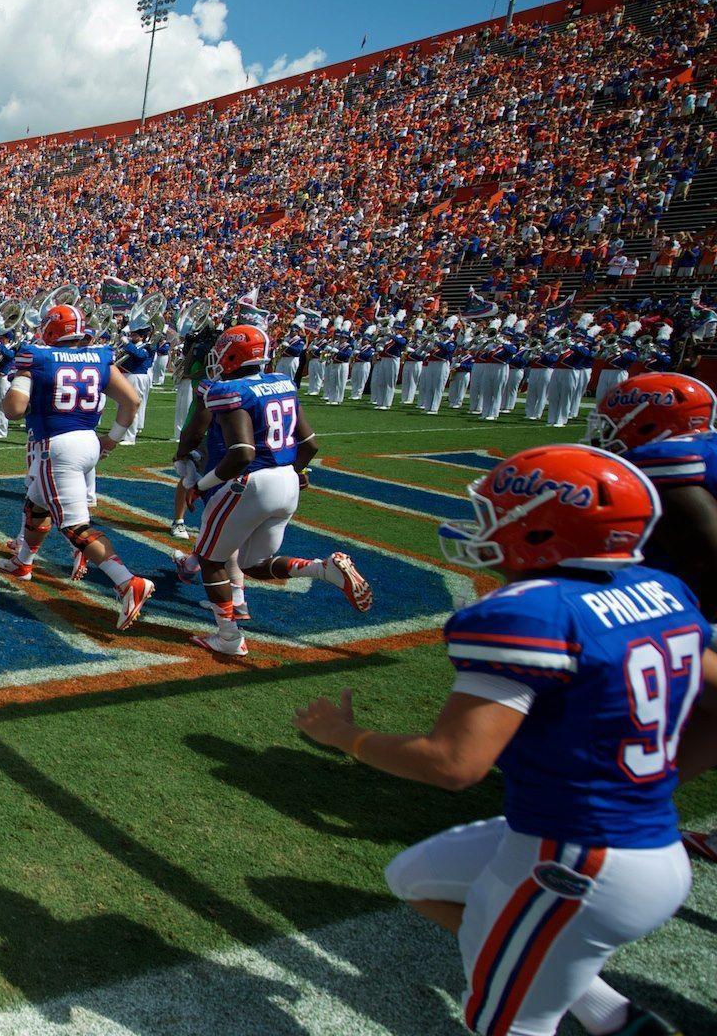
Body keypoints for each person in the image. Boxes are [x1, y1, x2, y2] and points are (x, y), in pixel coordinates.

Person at [295, 444, 712, 1036]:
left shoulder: (531, 612)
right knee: (413, 877)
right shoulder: (663, 591)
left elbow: (454, 764)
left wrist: (345, 735)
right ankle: (611, 1014)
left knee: (505, 1024)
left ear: (544, 526)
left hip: (578, 855)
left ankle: (571, 993)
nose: (484, 525)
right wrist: (657, 781)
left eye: (498, 512)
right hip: (629, 842)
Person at [173, 325, 371, 657]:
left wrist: (200, 485)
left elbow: (243, 453)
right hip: (286, 483)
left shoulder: (231, 390)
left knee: (210, 560)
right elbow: (309, 444)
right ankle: (323, 570)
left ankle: (228, 637)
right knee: (254, 563)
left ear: (235, 353)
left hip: (252, 482)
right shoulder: (283, 383)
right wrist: (295, 472)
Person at [0, 304, 152, 630]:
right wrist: (113, 438)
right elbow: (131, 401)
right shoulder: (99, 356)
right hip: (88, 442)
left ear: (50, 329)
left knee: (74, 527)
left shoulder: (37, 358)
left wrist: (17, 385)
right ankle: (23, 562)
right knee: (36, 506)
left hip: (56, 446)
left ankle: (127, 582)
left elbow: (13, 410)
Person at [586, 371, 715, 618]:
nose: (603, 434)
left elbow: (705, 557)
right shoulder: (708, 447)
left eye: (611, 422)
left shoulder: (662, 459)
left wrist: (697, 621)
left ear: (648, 423)